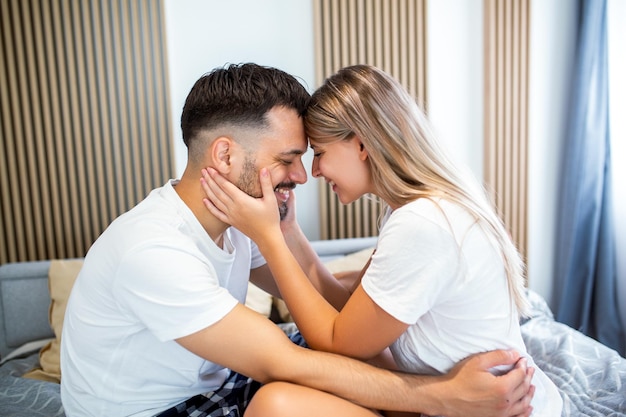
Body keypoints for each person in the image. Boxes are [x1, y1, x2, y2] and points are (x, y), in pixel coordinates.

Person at [60, 62, 535, 417]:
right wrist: (441, 397)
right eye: (289, 158)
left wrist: (283, 230)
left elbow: (327, 307)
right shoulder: (151, 248)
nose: (303, 176)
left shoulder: (240, 223)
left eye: (313, 155)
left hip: (219, 386)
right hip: (163, 410)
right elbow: (289, 361)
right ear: (224, 155)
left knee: (357, 353)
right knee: (283, 397)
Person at [200, 64, 560, 416]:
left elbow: (336, 342)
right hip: (479, 396)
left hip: (492, 406)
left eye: (321, 153)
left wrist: (268, 239)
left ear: (360, 144)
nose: (314, 171)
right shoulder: (415, 210)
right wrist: (288, 230)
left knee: (275, 403)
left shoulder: (422, 224)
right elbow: (354, 317)